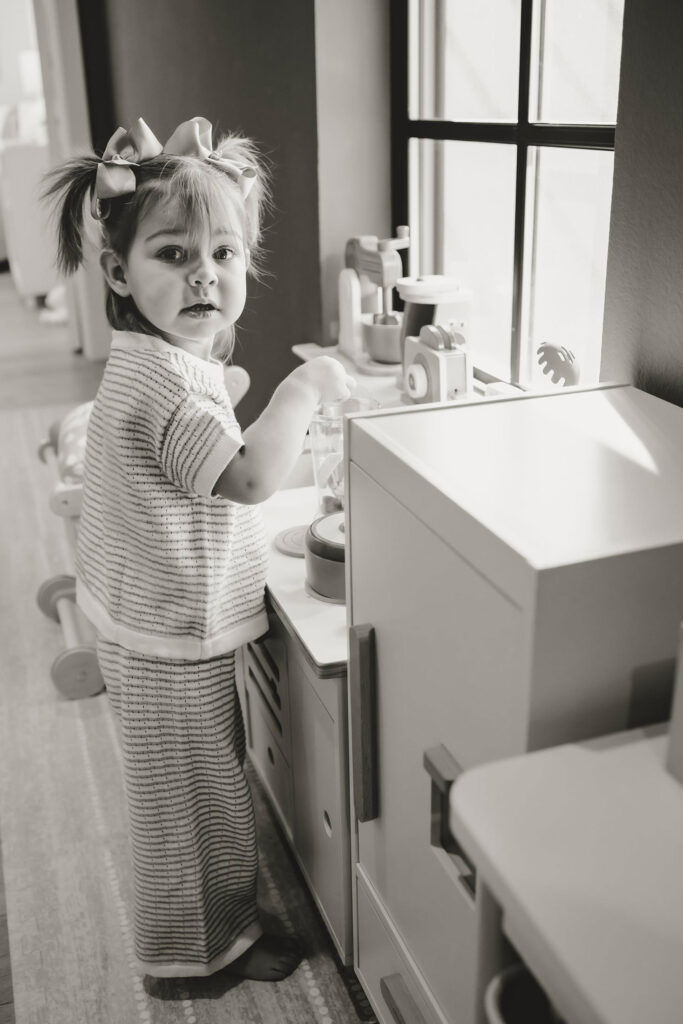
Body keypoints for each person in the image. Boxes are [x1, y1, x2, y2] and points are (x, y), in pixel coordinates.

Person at [44, 115, 353, 982]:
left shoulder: (155, 355)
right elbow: (251, 478)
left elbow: (192, 404)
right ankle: (195, 956)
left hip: (146, 613)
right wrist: (300, 387)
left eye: (223, 255)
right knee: (195, 807)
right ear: (117, 270)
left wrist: (224, 385)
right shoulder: (165, 390)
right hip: (165, 637)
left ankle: (204, 933)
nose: (205, 276)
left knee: (197, 795)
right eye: (174, 256)